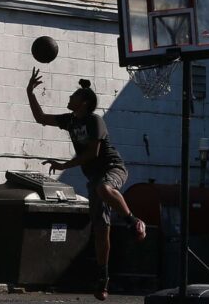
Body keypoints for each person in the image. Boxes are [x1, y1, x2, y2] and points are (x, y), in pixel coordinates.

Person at [26, 68, 146, 300]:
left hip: (113, 168)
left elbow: (92, 153)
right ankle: (103, 278)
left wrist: (62, 166)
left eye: (74, 96)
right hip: (94, 178)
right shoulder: (70, 120)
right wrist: (30, 92)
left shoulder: (94, 120)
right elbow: (41, 118)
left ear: (84, 102)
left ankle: (133, 221)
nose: (70, 98)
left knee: (104, 187)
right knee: (100, 229)